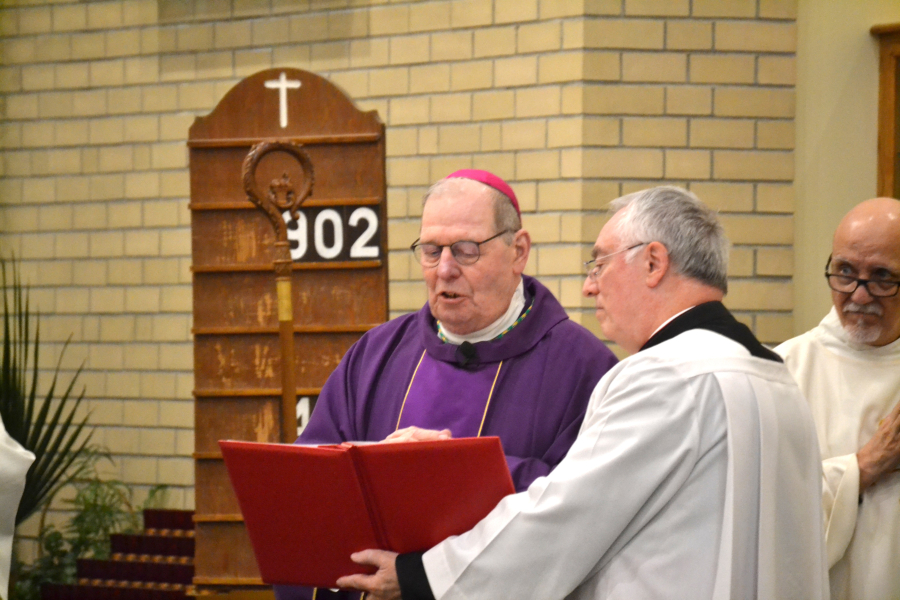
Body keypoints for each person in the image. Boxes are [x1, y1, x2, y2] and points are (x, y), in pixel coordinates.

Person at [337, 186, 828, 600]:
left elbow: (564, 518)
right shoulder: (776, 377)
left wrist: (421, 574)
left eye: (599, 265)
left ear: (654, 262)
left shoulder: (665, 380)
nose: (591, 288)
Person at [276, 170, 618, 600]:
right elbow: (313, 484)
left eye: (466, 250)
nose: (446, 270)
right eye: (431, 251)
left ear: (518, 251)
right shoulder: (377, 354)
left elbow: (585, 511)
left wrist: (448, 470)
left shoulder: (582, 367)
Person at [775, 197, 900, 600]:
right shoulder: (784, 370)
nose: (858, 296)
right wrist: (862, 468)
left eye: (882, 277)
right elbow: (763, 513)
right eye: (845, 272)